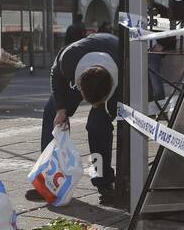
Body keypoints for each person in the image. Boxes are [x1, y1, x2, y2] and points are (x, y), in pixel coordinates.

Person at [33, 31, 120, 204]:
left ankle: (104, 182)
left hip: (115, 66)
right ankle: (50, 179)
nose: (93, 106)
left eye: (97, 103)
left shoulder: (126, 68)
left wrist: (105, 109)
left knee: (98, 126)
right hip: (85, 65)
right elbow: (55, 76)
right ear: (77, 84)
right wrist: (61, 109)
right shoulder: (69, 59)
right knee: (52, 112)